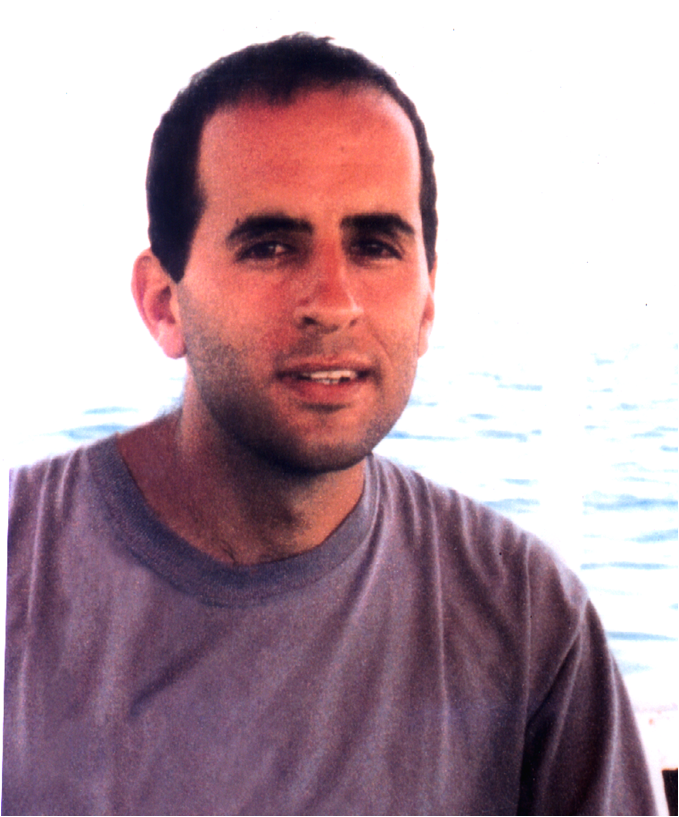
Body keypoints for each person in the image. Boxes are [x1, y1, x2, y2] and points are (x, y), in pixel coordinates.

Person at [3, 34, 657, 816]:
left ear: (426, 302)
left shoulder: (525, 613)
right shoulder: (19, 564)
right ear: (163, 303)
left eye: (375, 245)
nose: (333, 301)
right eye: (270, 246)